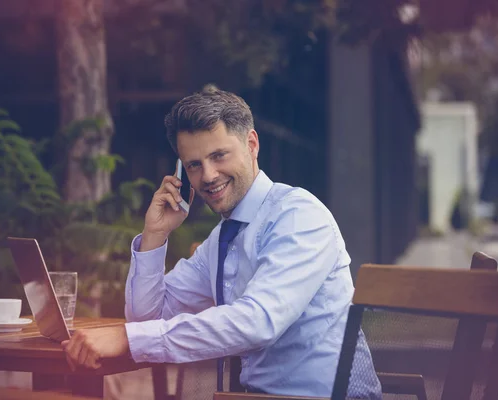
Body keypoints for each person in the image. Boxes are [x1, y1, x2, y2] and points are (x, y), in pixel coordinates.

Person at [62, 88, 382, 398]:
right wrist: (155, 235)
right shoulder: (222, 238)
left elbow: (257, 322)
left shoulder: (298, 217)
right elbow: (148, 319)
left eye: (219, 156)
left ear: (251, 144)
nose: (208, 175)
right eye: (194, 165)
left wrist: (126, 338)